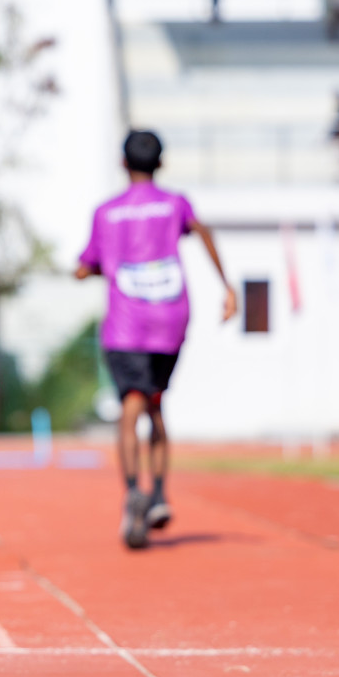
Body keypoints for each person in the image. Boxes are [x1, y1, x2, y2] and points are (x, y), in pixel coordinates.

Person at [75, 130, 235, 550]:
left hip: (127, 324)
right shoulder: (175, 204)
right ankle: (160, 493)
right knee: (156, 402)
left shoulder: (106, 212)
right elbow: (202, 232)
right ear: (160, 164)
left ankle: (133, 490)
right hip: (170, 318)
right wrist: (227, 286)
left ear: (122, 164)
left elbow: (86, 264)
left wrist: (92, 269)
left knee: (131, 403)